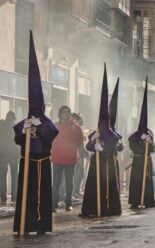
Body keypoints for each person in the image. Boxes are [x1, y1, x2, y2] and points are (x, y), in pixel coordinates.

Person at [13, 32, 59, 234]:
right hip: (27, 162)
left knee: (41, 195)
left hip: (42, 163)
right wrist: (23, 130)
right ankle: (25, 224)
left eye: (38, 110)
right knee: (27, 194)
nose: (35, 113)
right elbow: (18, 141)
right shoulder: (24, 122)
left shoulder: (47, 123)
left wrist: (40, 125)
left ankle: (41, 225)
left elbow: (50, 138)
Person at [81, 66, 122, 217]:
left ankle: (108, 208)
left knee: (108, 187)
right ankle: (92, 208)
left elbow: (114, 149)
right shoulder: (96, 132)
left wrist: (102, 149)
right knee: (93, 186)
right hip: (96, 165)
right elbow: (87, 146)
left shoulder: (113, 135)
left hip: (108, 164)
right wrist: (93, 142)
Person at [128, 77, 155, 209]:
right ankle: (135, 201)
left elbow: (153, 149)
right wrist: (140, 143)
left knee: (147, 181)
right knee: (136, 181)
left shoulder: (150, 133)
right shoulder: (134, 136)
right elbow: (132, 146)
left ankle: (147, 200)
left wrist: (150, 141)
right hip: (138, 161)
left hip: (147, 161)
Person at [51, 106, 84, 212]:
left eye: (68, 112)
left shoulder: (76, 127)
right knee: (56, 183)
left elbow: (80, 143)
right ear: (60, 114)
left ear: (70, 114)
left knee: (69, 183)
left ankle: (68, 203)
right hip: (57, 159)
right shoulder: (55, 126)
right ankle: (53, 204)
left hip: (70, 159)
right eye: (63, 112)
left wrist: (84, 153)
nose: (66, 114)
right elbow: (49, 140)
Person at [0, 111, 19, 204]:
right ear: (14, 118)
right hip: (14, 156)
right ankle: (14, 197)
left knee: (2, 177)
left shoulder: (1, 126)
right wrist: (19, 154)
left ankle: (3, 197)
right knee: (14, 177)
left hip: (2, 155)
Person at [72, 113, 88, 199]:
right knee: (75, 175)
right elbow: (79, 145)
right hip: (75, 156)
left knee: (81, 174)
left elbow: (82, 143)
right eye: (81, 119)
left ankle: (76, 191)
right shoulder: (74, 129)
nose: (82, 121)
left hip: (80, 156)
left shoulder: (80, 129)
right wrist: (86, 154)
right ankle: (72, 193)